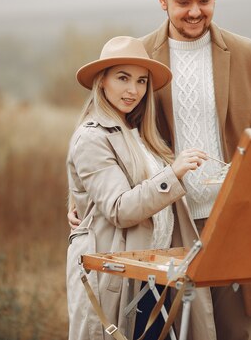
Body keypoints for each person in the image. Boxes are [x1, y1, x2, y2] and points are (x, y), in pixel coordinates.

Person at [69, 0, 251, 340]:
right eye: (182, 1)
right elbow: (105, 141)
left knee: (239, 333)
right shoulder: (138, 61)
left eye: (204, 1)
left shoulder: (249, 55)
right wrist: (82, 201)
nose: (194, 11)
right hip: (164, 227)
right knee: (177, 333)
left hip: (233, 223)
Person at [65, 36, 217, 340]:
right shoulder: (92, 138)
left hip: (153, 271)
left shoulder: (142, 136)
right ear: (102, 81)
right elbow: (121, 209)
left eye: (141, 81)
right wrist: (173, 174)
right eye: (123, 78)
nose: (133, 90)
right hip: (117, 276)